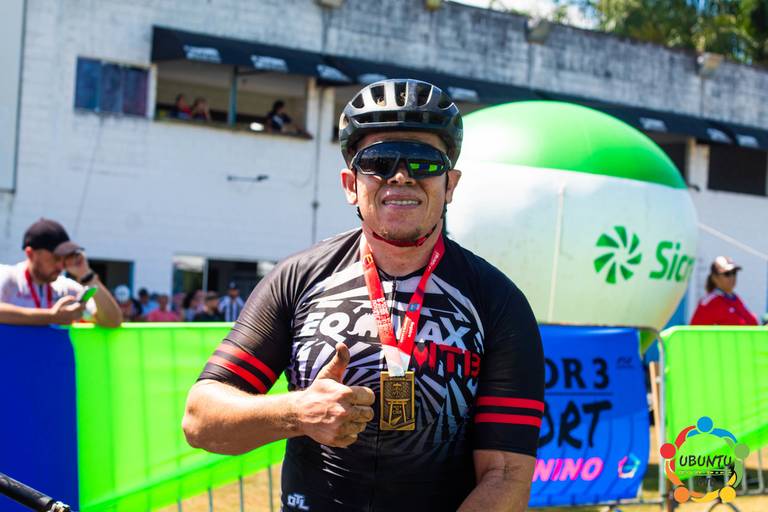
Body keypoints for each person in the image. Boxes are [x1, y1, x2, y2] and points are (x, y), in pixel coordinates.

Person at [183, 79, 544, 511]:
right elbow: (200, 419)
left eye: (424, 162)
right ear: (350, 183)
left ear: (450, 184)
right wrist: (297, 413)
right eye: (378, 161)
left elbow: (507, 474)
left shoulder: (498, 301)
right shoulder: (297, 278)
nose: (401, 176)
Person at [0, 218, 122, 327]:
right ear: (30, 254)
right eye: (55, 258)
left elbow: (113, 321)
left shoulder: (65, 288)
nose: (61, 265)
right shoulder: (8, 276)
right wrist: (51, 317)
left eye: (64, 258)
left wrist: (87, 275)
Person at [690, 256, 758, 325]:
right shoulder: (709, 303)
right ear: (715, 277)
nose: (732, 277)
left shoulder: (735, 298)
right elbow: (695, 330)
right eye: (727, 274)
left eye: (734, 272)